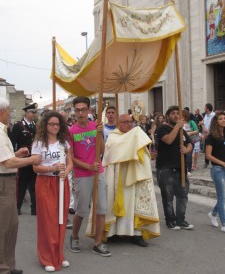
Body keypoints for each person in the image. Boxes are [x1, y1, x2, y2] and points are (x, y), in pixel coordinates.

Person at [100, 114, 160, 247]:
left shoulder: (136, 135)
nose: (129, 124)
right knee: (113, 203)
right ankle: (113, 232)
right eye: (125, 122)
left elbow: (144, 154)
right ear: (119, 123)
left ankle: (136, 234)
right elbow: (110, 155)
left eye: (130, 122)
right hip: (117, 176)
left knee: (134, 205)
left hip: (134, 176)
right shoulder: (113, 137)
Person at [0, 98, 40, 274]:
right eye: (9, 111)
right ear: (2, 112)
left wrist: (18, 154)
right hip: (4, 181)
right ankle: (3, 267)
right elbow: (7, 163)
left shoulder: (3, 131)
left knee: (11, 226)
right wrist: (31, 159)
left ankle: (8, 265)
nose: (10, 114)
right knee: (3, 228)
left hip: (8, 178)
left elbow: (6, 158)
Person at [31, 111, 73, 272]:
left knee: (60, 220)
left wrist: (66, 172)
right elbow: (35, 168)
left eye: (57, 124)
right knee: (47, 221)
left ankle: (59, 256)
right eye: (51, 124)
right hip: (44, 182)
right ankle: (47, 257)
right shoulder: (38, 143)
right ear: (45, 125)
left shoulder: (64, 142)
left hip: (61, 182)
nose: (55, 127)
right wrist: (52, 168)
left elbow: (70, 163)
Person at [69, 96, 111, 257]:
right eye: (77, 110)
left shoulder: (96, 127)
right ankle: (74, 237)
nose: (80, 113)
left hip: (98, 173)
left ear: (88, 111)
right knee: (81, 210)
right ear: (74, 111)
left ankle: (98, 243)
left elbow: (101, 151)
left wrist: (99, 133)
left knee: (101, 209)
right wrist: (87, 166)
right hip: (82, 175)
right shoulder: (71, 131)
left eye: (83, 110)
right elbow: (70, 157)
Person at [156, 105, 194, 230]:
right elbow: (168, 140)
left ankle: (181, 220)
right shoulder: (163, 129)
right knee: (168, 197)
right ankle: (170, 221)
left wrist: (186, 149)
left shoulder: (182, 131)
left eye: (178, 113)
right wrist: (177, 126)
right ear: (168, 115)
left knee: (182, 196)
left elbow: (190, 144)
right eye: (173, 113)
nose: (176, 115)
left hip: (181, 168)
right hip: (166, 168)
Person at [10, 102, 38, 215]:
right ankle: (17, 207)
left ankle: (34, 208)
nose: (34, 114)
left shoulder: (35, 126)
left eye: (35, 112)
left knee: (34, 185)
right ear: (26, 113)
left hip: (34, 158)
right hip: (23, 159)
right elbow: (12, 143)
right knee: (21, 184)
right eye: (32, 112)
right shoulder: (18, 126)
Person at [205, 111, 225, 233]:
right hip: (217, 169)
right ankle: (224, 223)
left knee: (223, 197)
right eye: (221, 119)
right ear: (216, 121)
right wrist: (222, 163)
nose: (223, 120)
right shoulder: (211, 136)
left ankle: (213, 214)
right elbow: (208, 155)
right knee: (222, 196)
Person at [182, 109, 199, 176]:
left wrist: (189, 133)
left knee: (189, 155)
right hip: (181, 141)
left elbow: (197, 130)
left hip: (190, 141)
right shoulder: (179, 122)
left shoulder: (191, 122)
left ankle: (188, 170)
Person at [199, 103, 215, 168]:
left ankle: (215, 162)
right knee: (206, 148)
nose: (204, 108)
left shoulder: (214, 115)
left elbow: (215, 125)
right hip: (206, 135)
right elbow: (205, 124)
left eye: (205, 107)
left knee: (214, 148)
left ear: (208, 109)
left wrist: (209, 132)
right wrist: (201, 124)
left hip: (213, 134)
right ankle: (206, 162)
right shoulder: (206, 115)